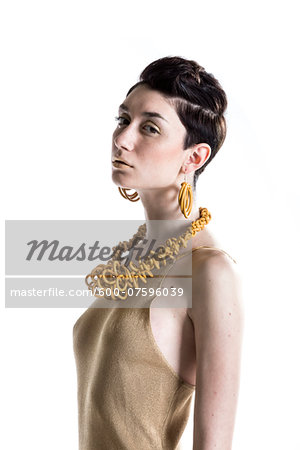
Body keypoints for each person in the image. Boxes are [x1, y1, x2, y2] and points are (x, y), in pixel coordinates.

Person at [73, 55, 244, 450]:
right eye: (122, 120)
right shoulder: (132, 257)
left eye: (149, 127)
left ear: (194, 157)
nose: (123, 138)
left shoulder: (209, 271)